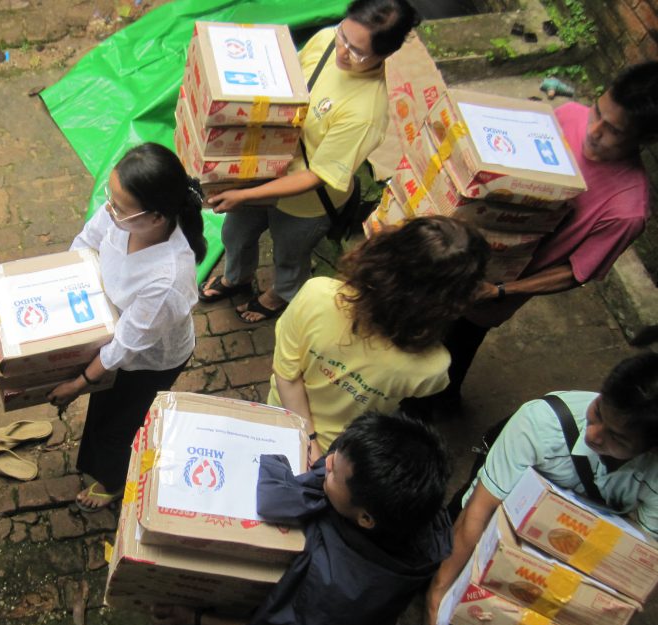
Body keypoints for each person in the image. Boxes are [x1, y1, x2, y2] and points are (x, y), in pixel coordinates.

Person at [153, 412, 453, 625]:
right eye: (337, 451)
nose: (327, 461)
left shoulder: (335, 588)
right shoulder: (419, 511)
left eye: (333, 473)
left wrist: (198, 619)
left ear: (365, 518)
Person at [435, 61, 658, 407]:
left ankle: (437, 405)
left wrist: (500, 291)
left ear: (644, 140)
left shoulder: (627, 209)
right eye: (597, 111)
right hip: (454, 253)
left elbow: (576, 272)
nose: (593, 130)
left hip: (490, 291)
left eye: (613, 130)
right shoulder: (568, 114)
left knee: (452, 353)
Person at [198, 0, 419, 323]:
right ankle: (238, 277)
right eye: (344, 36)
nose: (342, 51)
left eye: (357, 52)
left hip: (305, 201)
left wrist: (243, 195)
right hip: (262, 167)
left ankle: (279, 295)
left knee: (290, 254)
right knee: (235, 234)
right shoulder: (329, 39)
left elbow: (317, 176)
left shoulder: (366, 111)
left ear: (384, 55)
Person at [425, 352, 658, 625]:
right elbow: (478, 512)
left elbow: (637, 557)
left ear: (650, 450)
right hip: (497, 514)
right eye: (598, 413)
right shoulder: (540, 424)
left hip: (564, 545)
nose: (594, 435)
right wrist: (438, 594)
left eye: (617, 438)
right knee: (444, 556)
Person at [47, 143, 205, 511]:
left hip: (147, 363)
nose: (109, 209)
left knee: (122, 423)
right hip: (114, 334)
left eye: (119, 206)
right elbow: (87, 241)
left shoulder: (167, 278)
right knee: (105, 410)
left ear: (155, 217)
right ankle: (104, 463)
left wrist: (79, 383)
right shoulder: (121, 217)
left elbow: (125, 346)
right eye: (111, 197)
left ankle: (114, 480)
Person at [270, 216, 489, 459]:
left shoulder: (316, 294)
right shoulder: (434, 367)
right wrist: (315, 452)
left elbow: (287, 376)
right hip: (340, 452)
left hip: (281, 417)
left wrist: (307, 440)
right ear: (453, 301)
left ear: (383, 252)